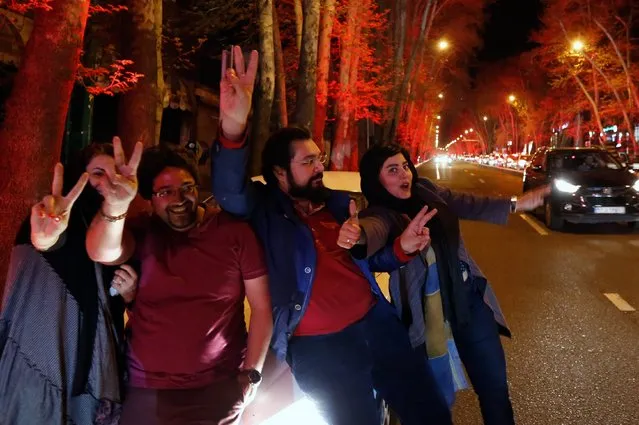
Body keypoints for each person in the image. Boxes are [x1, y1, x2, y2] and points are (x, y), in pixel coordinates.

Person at [211, 46, 452, 425]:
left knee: (430, 414)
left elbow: (373, 260)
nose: (319, 167)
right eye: (307, 162)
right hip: (320, 348)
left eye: (319, 158)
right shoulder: (264, 210)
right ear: (278, 173)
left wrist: (401, 249)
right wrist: (233, 127)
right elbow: (228, 191)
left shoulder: (339, 205)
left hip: (377, 325)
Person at [354, 143, 550, 425]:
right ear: (376, 179)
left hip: (467, 297)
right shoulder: (380, 215)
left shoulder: (427, 191)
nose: (404, 175)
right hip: (427, 315)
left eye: (405, 166)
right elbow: (373, 248)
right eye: (392, 170)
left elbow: (466, 202)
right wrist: (363, 238)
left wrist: (516, 204)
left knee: (494, 388)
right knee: (434, 401)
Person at [85, 138, 272, 425]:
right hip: (148, 389)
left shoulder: (233, 233)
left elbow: (261, 307)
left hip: (217, 389)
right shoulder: (143, 233)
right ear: (150, 198)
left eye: (187, 188)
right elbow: (102, 251)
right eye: (165, 192)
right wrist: (116, 203)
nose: (179, 199)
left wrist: (252, 376)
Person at [0, 143, 138, 425]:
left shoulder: (124, 230)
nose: (106, 183)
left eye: (114, 176)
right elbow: (47, 242)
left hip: (94, 362)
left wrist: (116, 208)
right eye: (97, 173)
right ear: (79, 176)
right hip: (42, 352)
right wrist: (44, 238)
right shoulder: (49, 218)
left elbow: (107, 251)